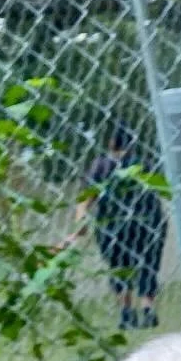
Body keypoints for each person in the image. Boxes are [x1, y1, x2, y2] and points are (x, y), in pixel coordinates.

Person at [75, 125, 166, 330]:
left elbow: (87, 196)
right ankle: (148, 309)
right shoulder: (143, 164)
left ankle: (127, 313)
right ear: (132, 144)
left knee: (119, 268)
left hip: (112, 225)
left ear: (110, 143)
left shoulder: (100, 165)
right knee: (147, 265)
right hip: (147, 222)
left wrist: (80, 222)